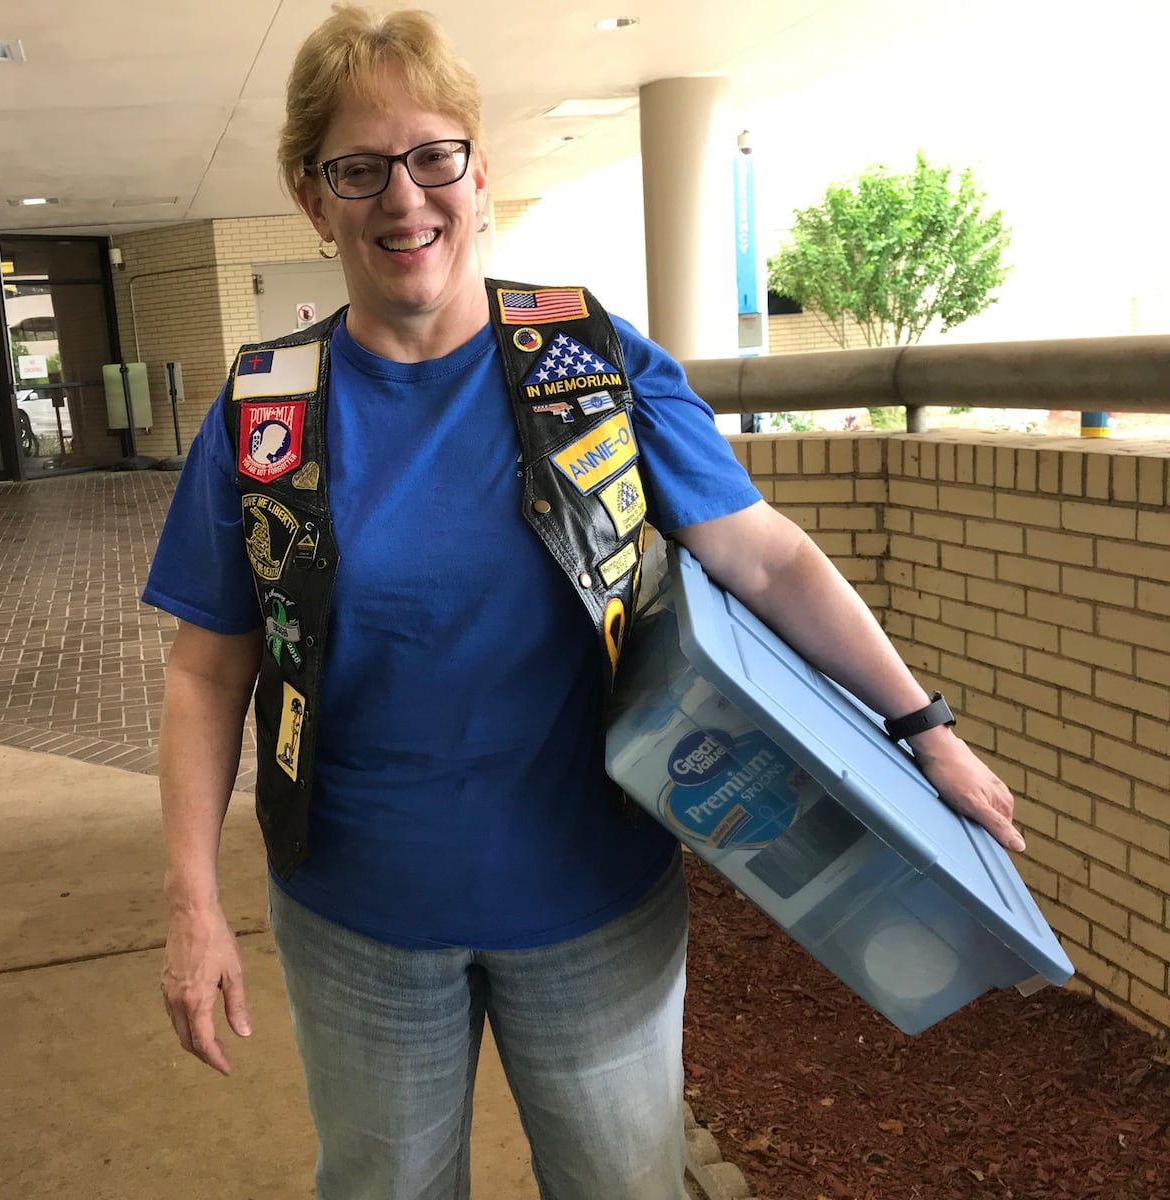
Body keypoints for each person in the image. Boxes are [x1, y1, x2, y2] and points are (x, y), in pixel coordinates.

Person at [142, 7, 1024, 1198]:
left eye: (431, 155)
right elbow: (209, 669)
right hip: (356, 915)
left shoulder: (587, 362)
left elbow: (760, 558)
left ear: (477, 170)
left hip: (591, 904)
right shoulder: (264, 413)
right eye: (359, 168)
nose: (403, 199)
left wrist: (923, 728)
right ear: (314, 197)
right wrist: (191, 902)